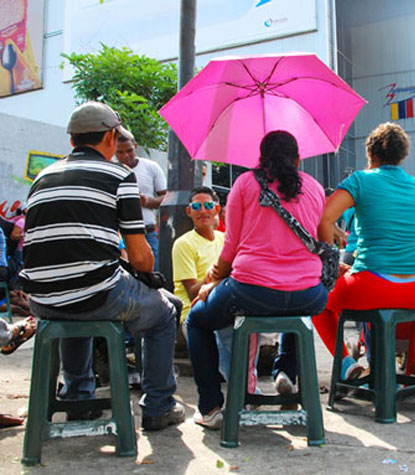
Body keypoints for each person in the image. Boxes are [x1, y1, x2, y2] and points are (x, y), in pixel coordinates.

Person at [20, 101, 184, 430]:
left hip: (40, 298)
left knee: (76, 298)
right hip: (95, 294)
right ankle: (158, 405)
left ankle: (79, 397)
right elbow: (140, 258)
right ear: (110, 138)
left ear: (72, 141)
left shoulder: (42, 177)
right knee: (165, 311)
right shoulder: (119, 176)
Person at [186, 131, 327, 430]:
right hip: (309, 294)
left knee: (197, 321)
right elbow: (320, 240)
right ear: (298, 160)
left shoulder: (244, 184)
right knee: (296, 317)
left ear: (260, 159)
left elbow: (231, 247)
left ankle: (210, 408)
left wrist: (212, 280)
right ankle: (286, 375)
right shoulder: (314, 187)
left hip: (252, 291)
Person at [310, 122, 415, 373]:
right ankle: (391, 365)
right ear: (402, 156)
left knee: (317, 301)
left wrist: (330, 263)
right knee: (369, 292)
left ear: (371, 154)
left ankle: (346, 363)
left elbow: (324, 218)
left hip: (374, 287)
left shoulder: (360, 180)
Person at [172, 186, 258, 389]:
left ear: (217, 209)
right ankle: (247, 392)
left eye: (208, 205)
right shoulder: (183, 244)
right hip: (195, 307)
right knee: (226, 335)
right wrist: (211, 279)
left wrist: (216, 281)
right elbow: (193, 291)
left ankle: (247, 391)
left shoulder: (225, 240)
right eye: (197, 206)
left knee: (246, 330)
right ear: (189, 211)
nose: (203, 211)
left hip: (223, 303)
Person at [116, 126, 167, 270]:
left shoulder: (151, 167)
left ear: (135, 147)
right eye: (120, 152)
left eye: (129, 151)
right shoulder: (112, 170)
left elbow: (167, 198)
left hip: (148, 233)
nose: (126, 156)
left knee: (152, 278)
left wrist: (147, 201)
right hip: (121, 236)